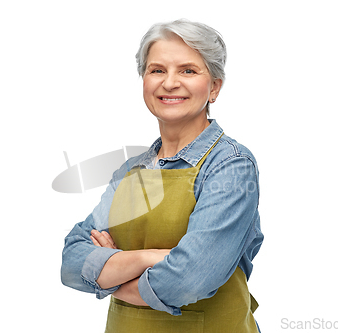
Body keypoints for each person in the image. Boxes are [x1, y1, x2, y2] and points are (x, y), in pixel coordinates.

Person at [61, 19, 263, 332]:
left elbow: (190, 279)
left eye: (188, 70)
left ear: (214, 87)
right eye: (157, 70)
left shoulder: (230, 166)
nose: (169, 83)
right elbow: (72, 263)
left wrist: (111, 275)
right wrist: (148, 258)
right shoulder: (132, 171)